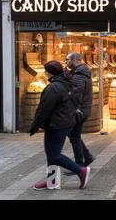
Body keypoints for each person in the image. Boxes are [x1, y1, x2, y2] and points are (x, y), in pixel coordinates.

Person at [29, 60, 90, 190]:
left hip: (56, 124)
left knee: (54, 155)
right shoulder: (65, 82)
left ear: (50, 72)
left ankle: (80, 171)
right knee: (51, 153)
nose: (44, 72)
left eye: (46, 70)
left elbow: (44, 109)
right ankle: (52, 181)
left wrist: (35, 125)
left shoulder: (53, 87)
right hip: (65, 122)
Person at [65, 52, 95, 170]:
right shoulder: (80, 72)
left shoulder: (79, 74)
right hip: (82, 109)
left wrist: (67, 95)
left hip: (79, 110)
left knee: (73, 136)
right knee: (73, 135)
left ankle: (79, 164)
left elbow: (76, 92)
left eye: (67, 59)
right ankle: (87, 157)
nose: (66, 62)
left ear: (74, 60)